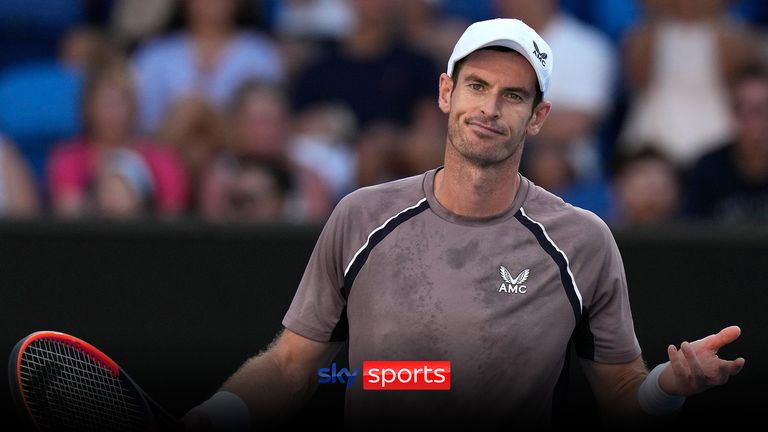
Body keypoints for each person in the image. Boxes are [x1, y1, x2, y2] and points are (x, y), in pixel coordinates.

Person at [186, 19, 744, 430]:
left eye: (513, 96)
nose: (490, 109)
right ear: (446, 93)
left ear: (537, 117)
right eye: (476, 86)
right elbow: (289, 368)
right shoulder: (361, 216)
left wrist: (669, 388)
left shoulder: (582, 241)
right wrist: (217, 414)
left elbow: (621, 392)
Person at [47, 57, 188, 217]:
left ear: (133, 106)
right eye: (105, 104)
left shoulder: (161, 157)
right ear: (87, 108)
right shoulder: (68, 157)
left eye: (119, 103)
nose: (112, 114)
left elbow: (172, 215)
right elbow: (68, 213)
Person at [685, 64, 768, 221]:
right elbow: (691, 234)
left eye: (764, 110)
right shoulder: (708, 167)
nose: (759, 122)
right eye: (750, 110)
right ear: (732, 115)